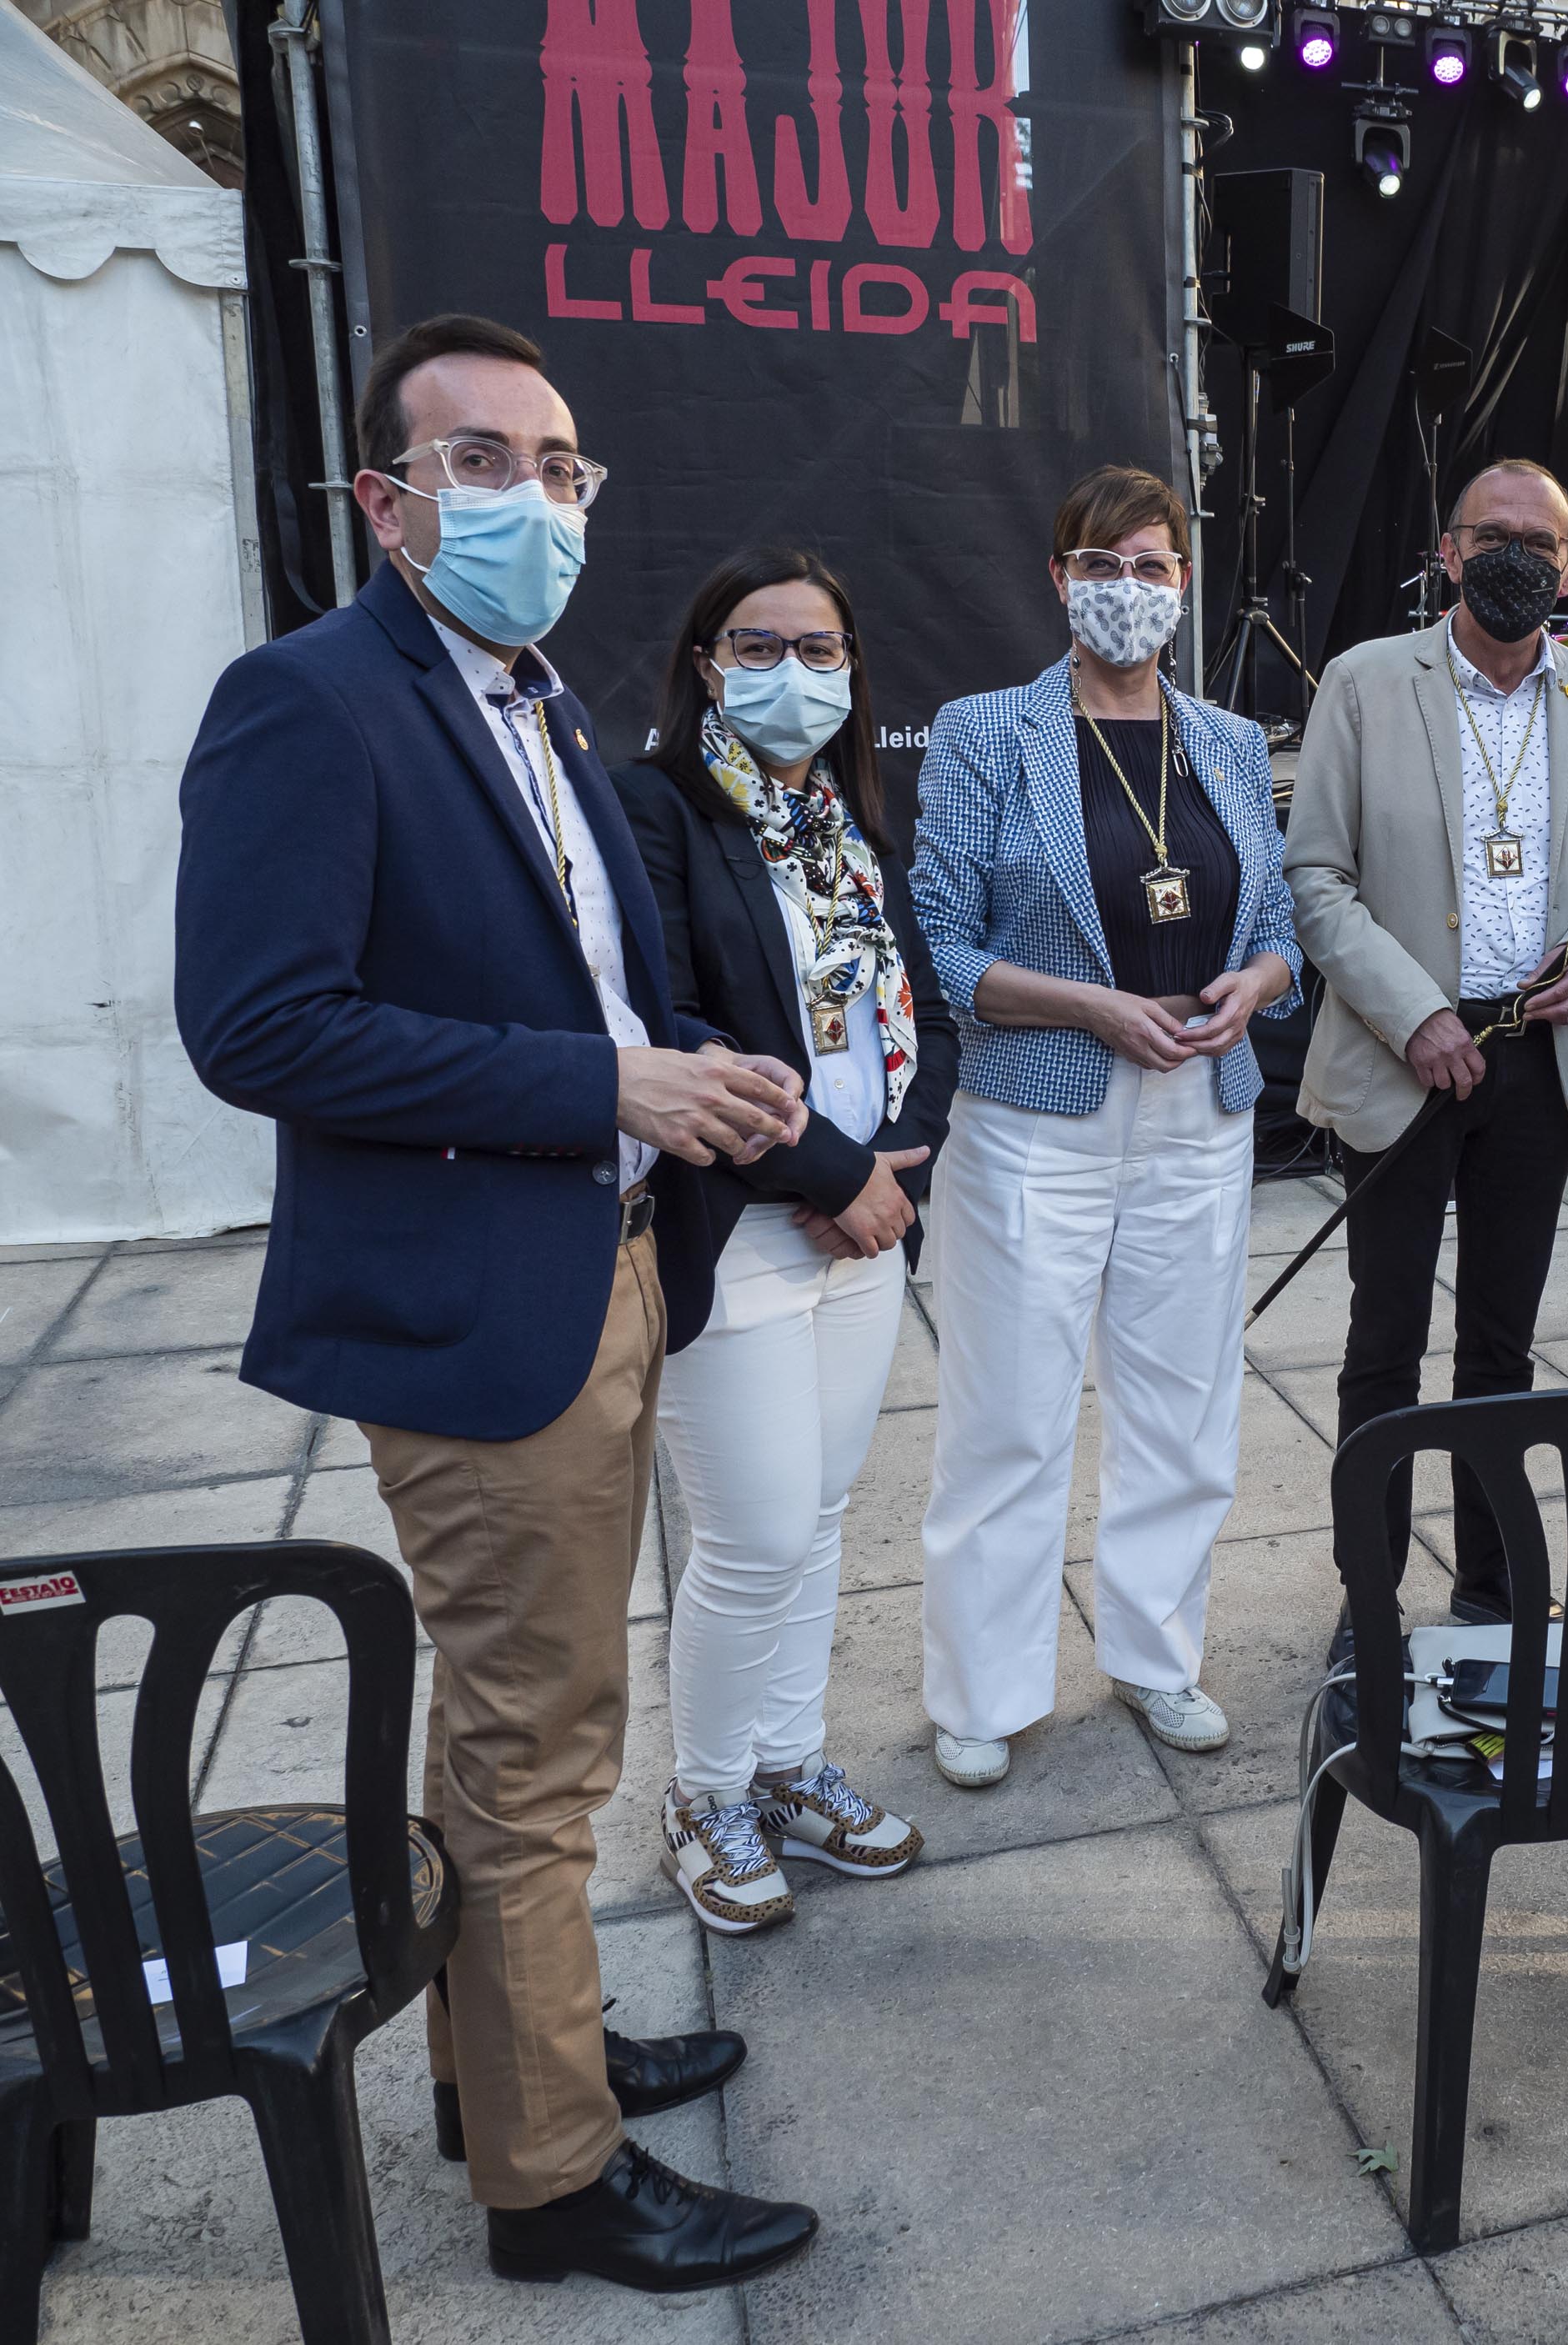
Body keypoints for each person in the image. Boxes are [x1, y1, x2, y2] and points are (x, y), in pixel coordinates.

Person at [173, 313, 819, 2289]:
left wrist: (691, 1064)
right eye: (479, 461)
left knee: (515, 1716)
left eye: (557, 465)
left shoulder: (536, 702)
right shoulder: (308, 699)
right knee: (541, 1743)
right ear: (385, 500)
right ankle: (553, 2172)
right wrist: (605, 1084)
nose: (529, 498)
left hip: (597, 1264)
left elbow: (586, 983)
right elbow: (264, 1025)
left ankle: (512, 2054)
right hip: (478, 1297)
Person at [910, 464, 1299, 1789]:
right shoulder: (985, 732)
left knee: (1184, 1409)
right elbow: (943, 947)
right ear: (1058, 577)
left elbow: (1276, 926)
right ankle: (982, 1689)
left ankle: (1154, 1654)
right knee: (1009, 1417)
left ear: (1183, 584)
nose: (1124, 588)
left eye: (1149, 566)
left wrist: (1258, 984)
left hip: (1199, 1114)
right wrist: (1091, 1007)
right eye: (1098, 564)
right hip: (1037, 1118)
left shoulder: (1228, 741)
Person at [615, 550, 956, 1934]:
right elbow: (671, 1024)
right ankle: (704, 1793)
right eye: (759, 647)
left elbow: (920, 1006)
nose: (793, 673)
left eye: (820, 649)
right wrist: (829, 1167)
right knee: (751, 1533)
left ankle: (786, 1762)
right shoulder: (654, 809)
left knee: (815, 1518)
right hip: (741, 1221)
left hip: (859, 1226)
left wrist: (894, 1156)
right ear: (707, 665)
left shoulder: (849, 821)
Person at [1283, 458, 1568, 1622]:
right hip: (1402, 1057)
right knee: (1382, 1342)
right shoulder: (1364, 681)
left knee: (1502, 1344)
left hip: (1535, 1063)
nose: (1514, 559)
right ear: (1447, 552)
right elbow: (1316, 877)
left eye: (1540, 544)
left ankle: (1491, 1589)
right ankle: (1370, 1600)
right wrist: (1416, 1013)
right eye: (1492, 537)